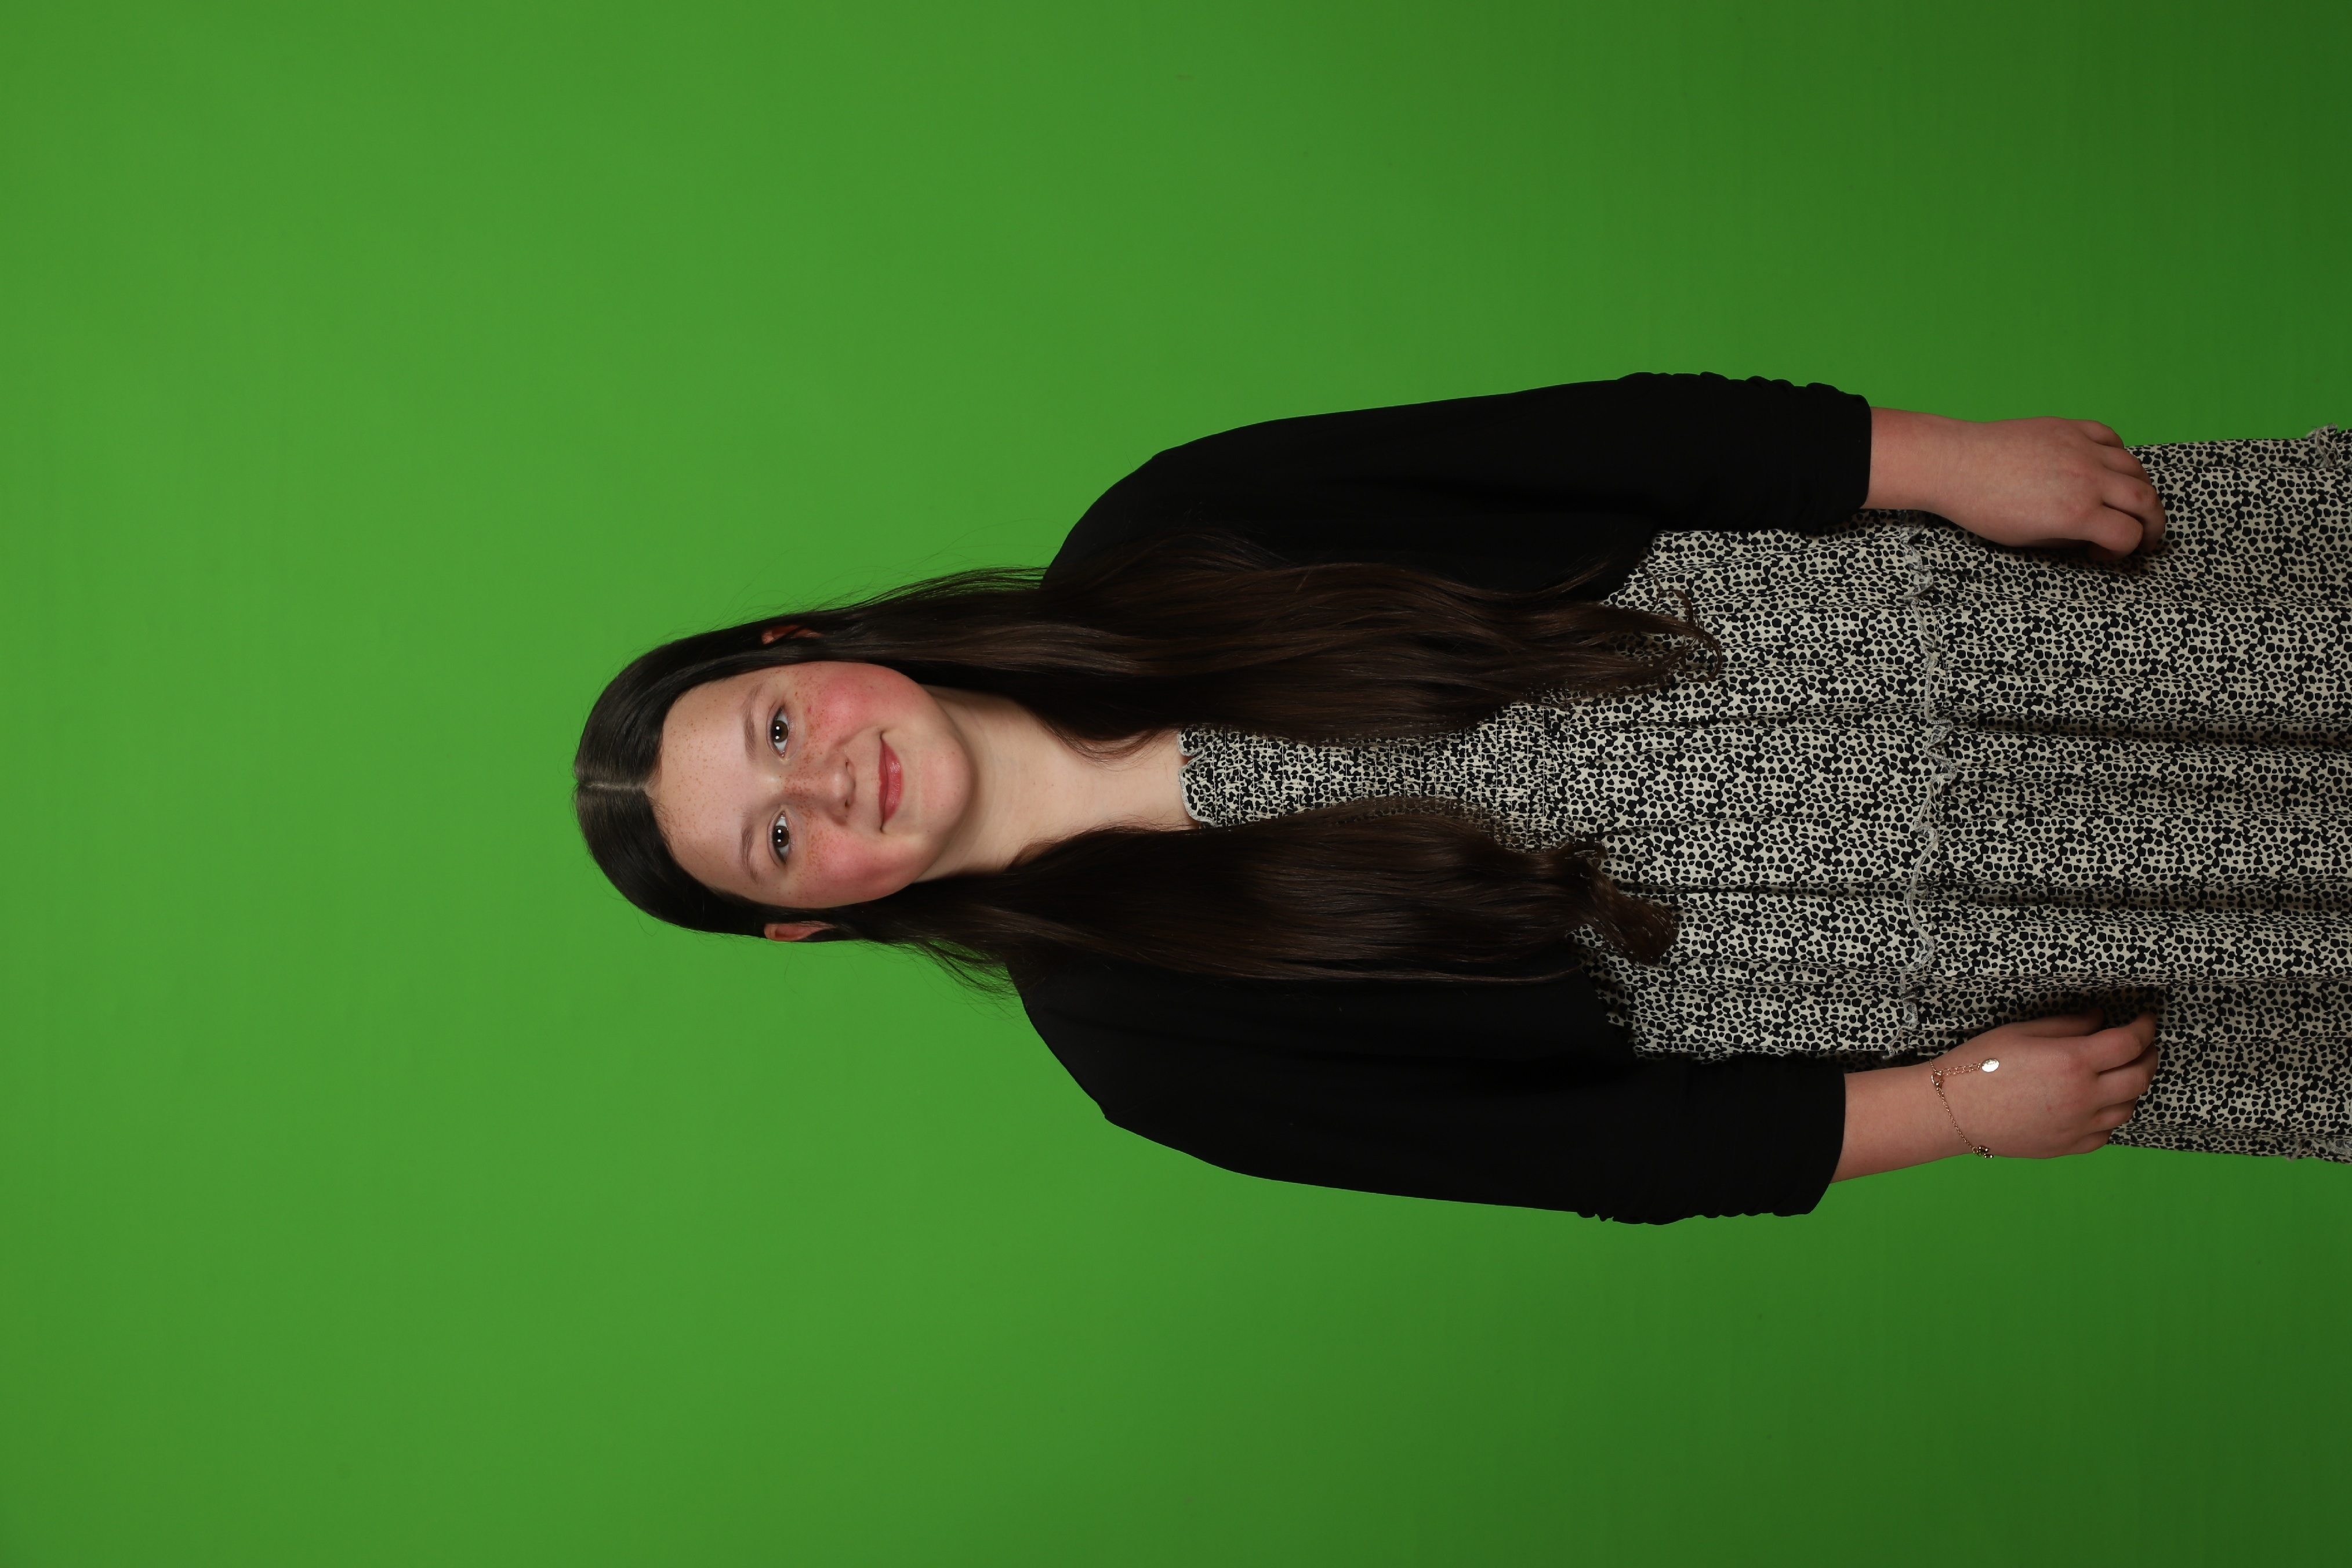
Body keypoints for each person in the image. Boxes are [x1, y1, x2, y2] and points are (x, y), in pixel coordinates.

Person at [574, 372, 2352, 1224]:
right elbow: (1599, 1149)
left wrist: (1951, 461)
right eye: (779, 836)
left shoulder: (1169, 527)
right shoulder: (1148, 1048)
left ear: (803, 645)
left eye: (780, 722)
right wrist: (1956, 1105)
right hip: (1988, 947)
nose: (829, 778)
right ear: (807, 919)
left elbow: (1600, 441)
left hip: (1995, 630)